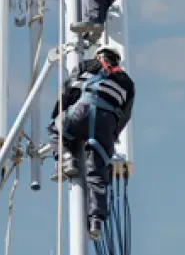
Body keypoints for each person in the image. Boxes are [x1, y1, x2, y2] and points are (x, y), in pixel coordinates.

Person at [47, 46, 135, 240]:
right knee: (97, 171)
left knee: (55, 129)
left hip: (83, 109)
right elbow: (126, 114)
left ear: (99, 56)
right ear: (117, 61)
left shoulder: (87, 65)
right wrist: (111, 135)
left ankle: (67, 160)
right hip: (106, 122)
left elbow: (68, 91)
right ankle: (96, 219)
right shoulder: (127, 82)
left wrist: (57, 116)